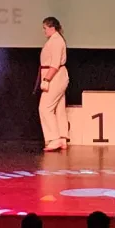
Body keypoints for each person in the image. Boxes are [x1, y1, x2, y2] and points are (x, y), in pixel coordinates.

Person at [38, 17, 70, 152]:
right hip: (57, 76)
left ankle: (54, 138)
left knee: (45, 107)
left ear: (52, 28)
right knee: (59, 108)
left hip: (55, 77)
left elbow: (55, 64)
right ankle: (62, 137)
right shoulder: (55, 40)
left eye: (45, 28)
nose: (44, 31)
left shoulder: (56, 41)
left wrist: (46, 79)